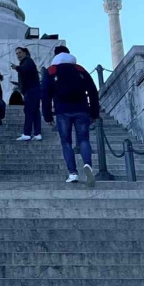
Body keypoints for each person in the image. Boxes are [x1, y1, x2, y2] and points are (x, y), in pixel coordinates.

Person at [42, 45, 100, 186]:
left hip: (62, 111)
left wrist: (48, 116)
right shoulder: (80, 69)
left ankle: (72, 173)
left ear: (55, 56)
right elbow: (93, 91)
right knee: (84, 139)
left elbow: (45, 94)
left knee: (66, 142)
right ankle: (87, 165)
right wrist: (94, 112)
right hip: (82, 109)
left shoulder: (51, 71)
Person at [12, 46, 42, 141]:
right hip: (33, 90)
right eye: (16, 53)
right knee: (35, 112)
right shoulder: (27, 62)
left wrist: (16, 67)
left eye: (19, 52)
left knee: (29, 111)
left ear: (25, 52)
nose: (18, 55)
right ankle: (37, 133)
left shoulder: (27, 61)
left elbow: (24, 70)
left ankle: (27, 133)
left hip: (31, 90)